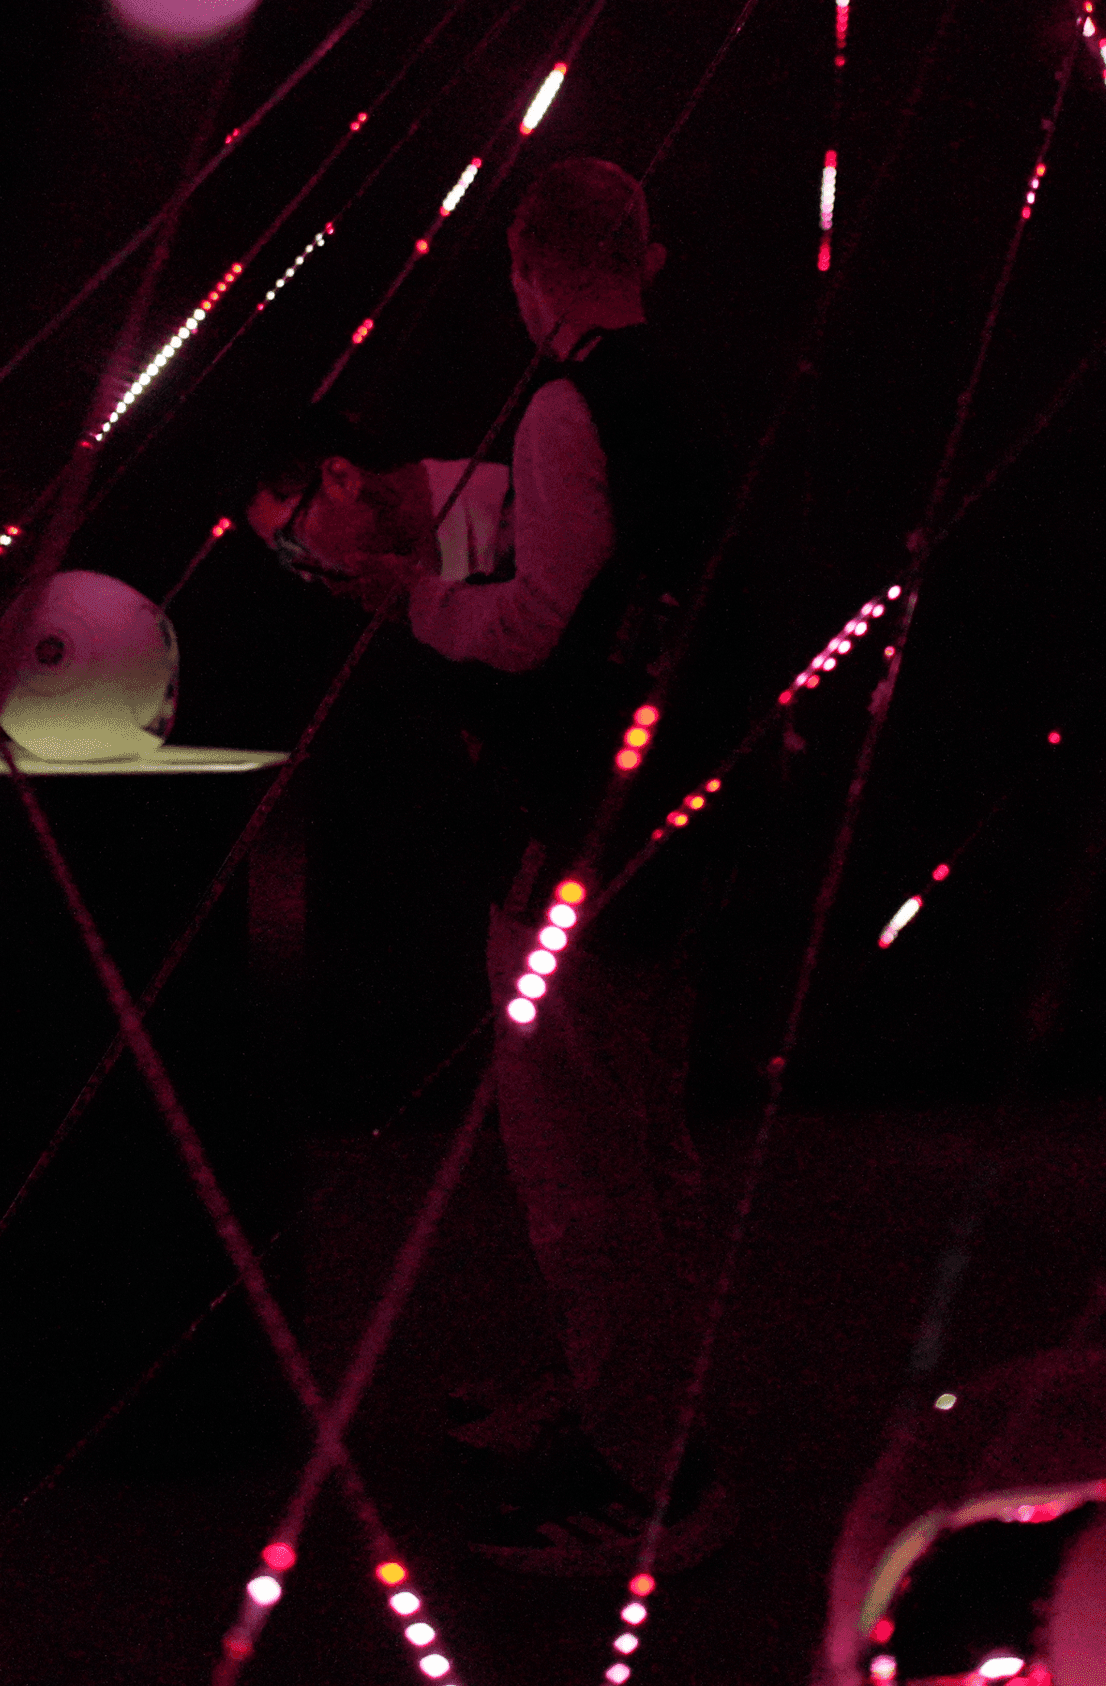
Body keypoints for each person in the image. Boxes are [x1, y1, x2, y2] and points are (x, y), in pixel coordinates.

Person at [245, 156, 730, 1575]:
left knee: (587, 1163)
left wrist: (417, 606)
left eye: (296, 537)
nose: (304, 568)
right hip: (650, 830)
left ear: (527, 267)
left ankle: (644, 1468)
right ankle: (626, 1406)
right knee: (630, 1147)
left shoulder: (571, 413)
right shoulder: (660, 401)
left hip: (595, 845)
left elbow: (536, 633)